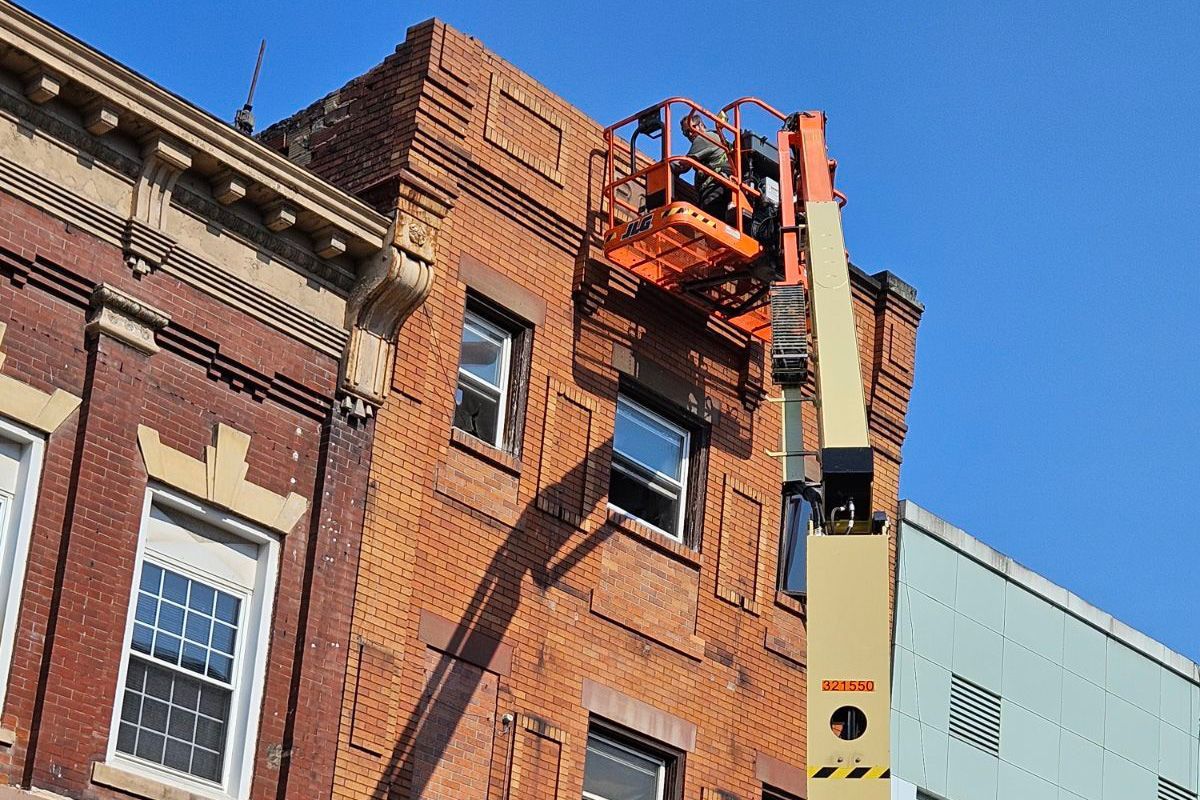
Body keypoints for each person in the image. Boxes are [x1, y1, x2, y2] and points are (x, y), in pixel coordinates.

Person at [673, 113, 732, 220]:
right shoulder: (716, 137)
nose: (690, 134)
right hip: (722, 189)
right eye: (686, 132)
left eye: (692, 127)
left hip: (714, 190)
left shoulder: (704, 138)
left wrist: (666, 166)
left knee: (713, 227)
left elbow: (684, 166)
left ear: (701, 125)